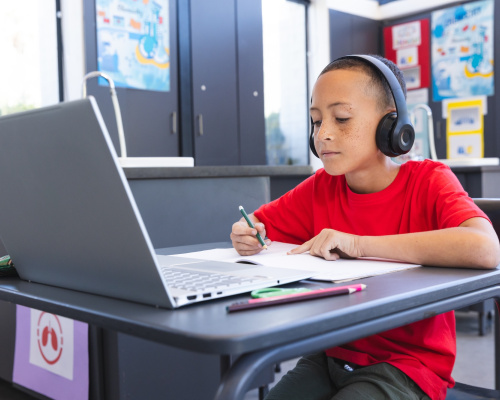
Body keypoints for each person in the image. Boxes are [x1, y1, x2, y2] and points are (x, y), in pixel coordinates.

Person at [230, 54, 500, 400]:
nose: (323, 134)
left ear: (391, 126)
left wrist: (358, 244)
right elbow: (258, 224)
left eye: (341, 119)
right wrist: (248, 232)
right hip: (333, 352)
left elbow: (485, 248)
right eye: (316, 121)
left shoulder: (429, 181)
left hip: (406, 366)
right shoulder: (320, 188)